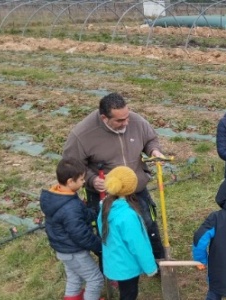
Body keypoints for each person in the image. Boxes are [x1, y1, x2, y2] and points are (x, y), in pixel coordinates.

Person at [62, 92, 166, 260]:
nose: (126, 122)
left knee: (147, 223)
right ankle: (117, 265)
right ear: (104, 118)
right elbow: (71, 164)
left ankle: (158, 261)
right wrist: (92, 179)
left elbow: (150, 139)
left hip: (136, 187)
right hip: (106, 192)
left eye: (127, 117)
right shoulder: (82, 135)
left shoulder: (135, 121)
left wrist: (154, 151)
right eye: (120, 120)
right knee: (110, 230)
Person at [40, 158, 103, 300]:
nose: (84, 182)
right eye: (81, 179)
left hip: (64, 249)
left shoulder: (59, 196)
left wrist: (95, 212)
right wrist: (100, 246)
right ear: (70, 181)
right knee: (95, 279)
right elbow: (81, 234)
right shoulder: (70, 208)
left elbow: (81, 213)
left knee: (75, 277)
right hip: (74, 251)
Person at [97, 166, 157, 300]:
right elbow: (138, 245)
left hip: (113, 262)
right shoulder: (128, 215)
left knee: (125, 292)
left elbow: (102, 232)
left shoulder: (105, 207)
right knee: (129, 294)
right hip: (127, 267)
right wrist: (150, 267)